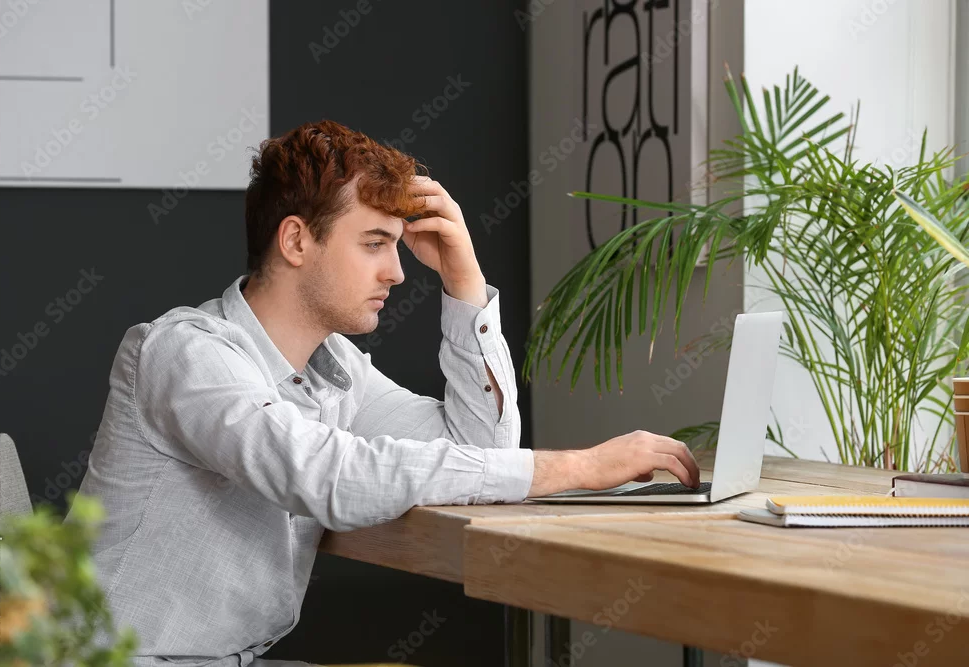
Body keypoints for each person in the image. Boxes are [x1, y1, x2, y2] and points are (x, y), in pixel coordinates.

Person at [66, 120, 699, 666]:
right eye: (374, 244)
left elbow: (483, 447)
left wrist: (464, 280)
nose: (397, 272)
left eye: (396, 247)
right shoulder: (184, 354)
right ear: (296, 240)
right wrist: (580, 467)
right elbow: (324, 476)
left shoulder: (334, 369)